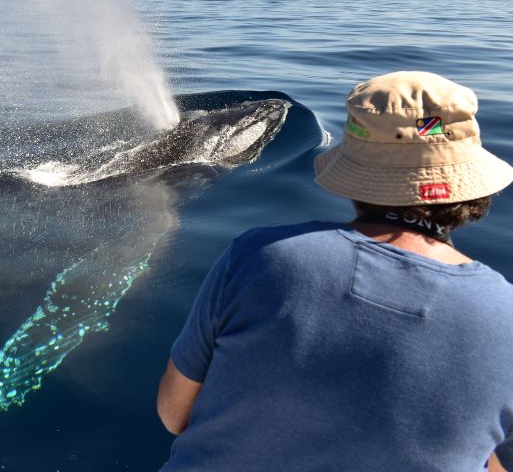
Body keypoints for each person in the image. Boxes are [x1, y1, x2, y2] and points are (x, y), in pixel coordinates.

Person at [156, 71, 513, 471]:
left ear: (355, 173)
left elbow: (174, 415)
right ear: (473, 185)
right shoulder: (506, 315)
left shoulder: (260, 257)